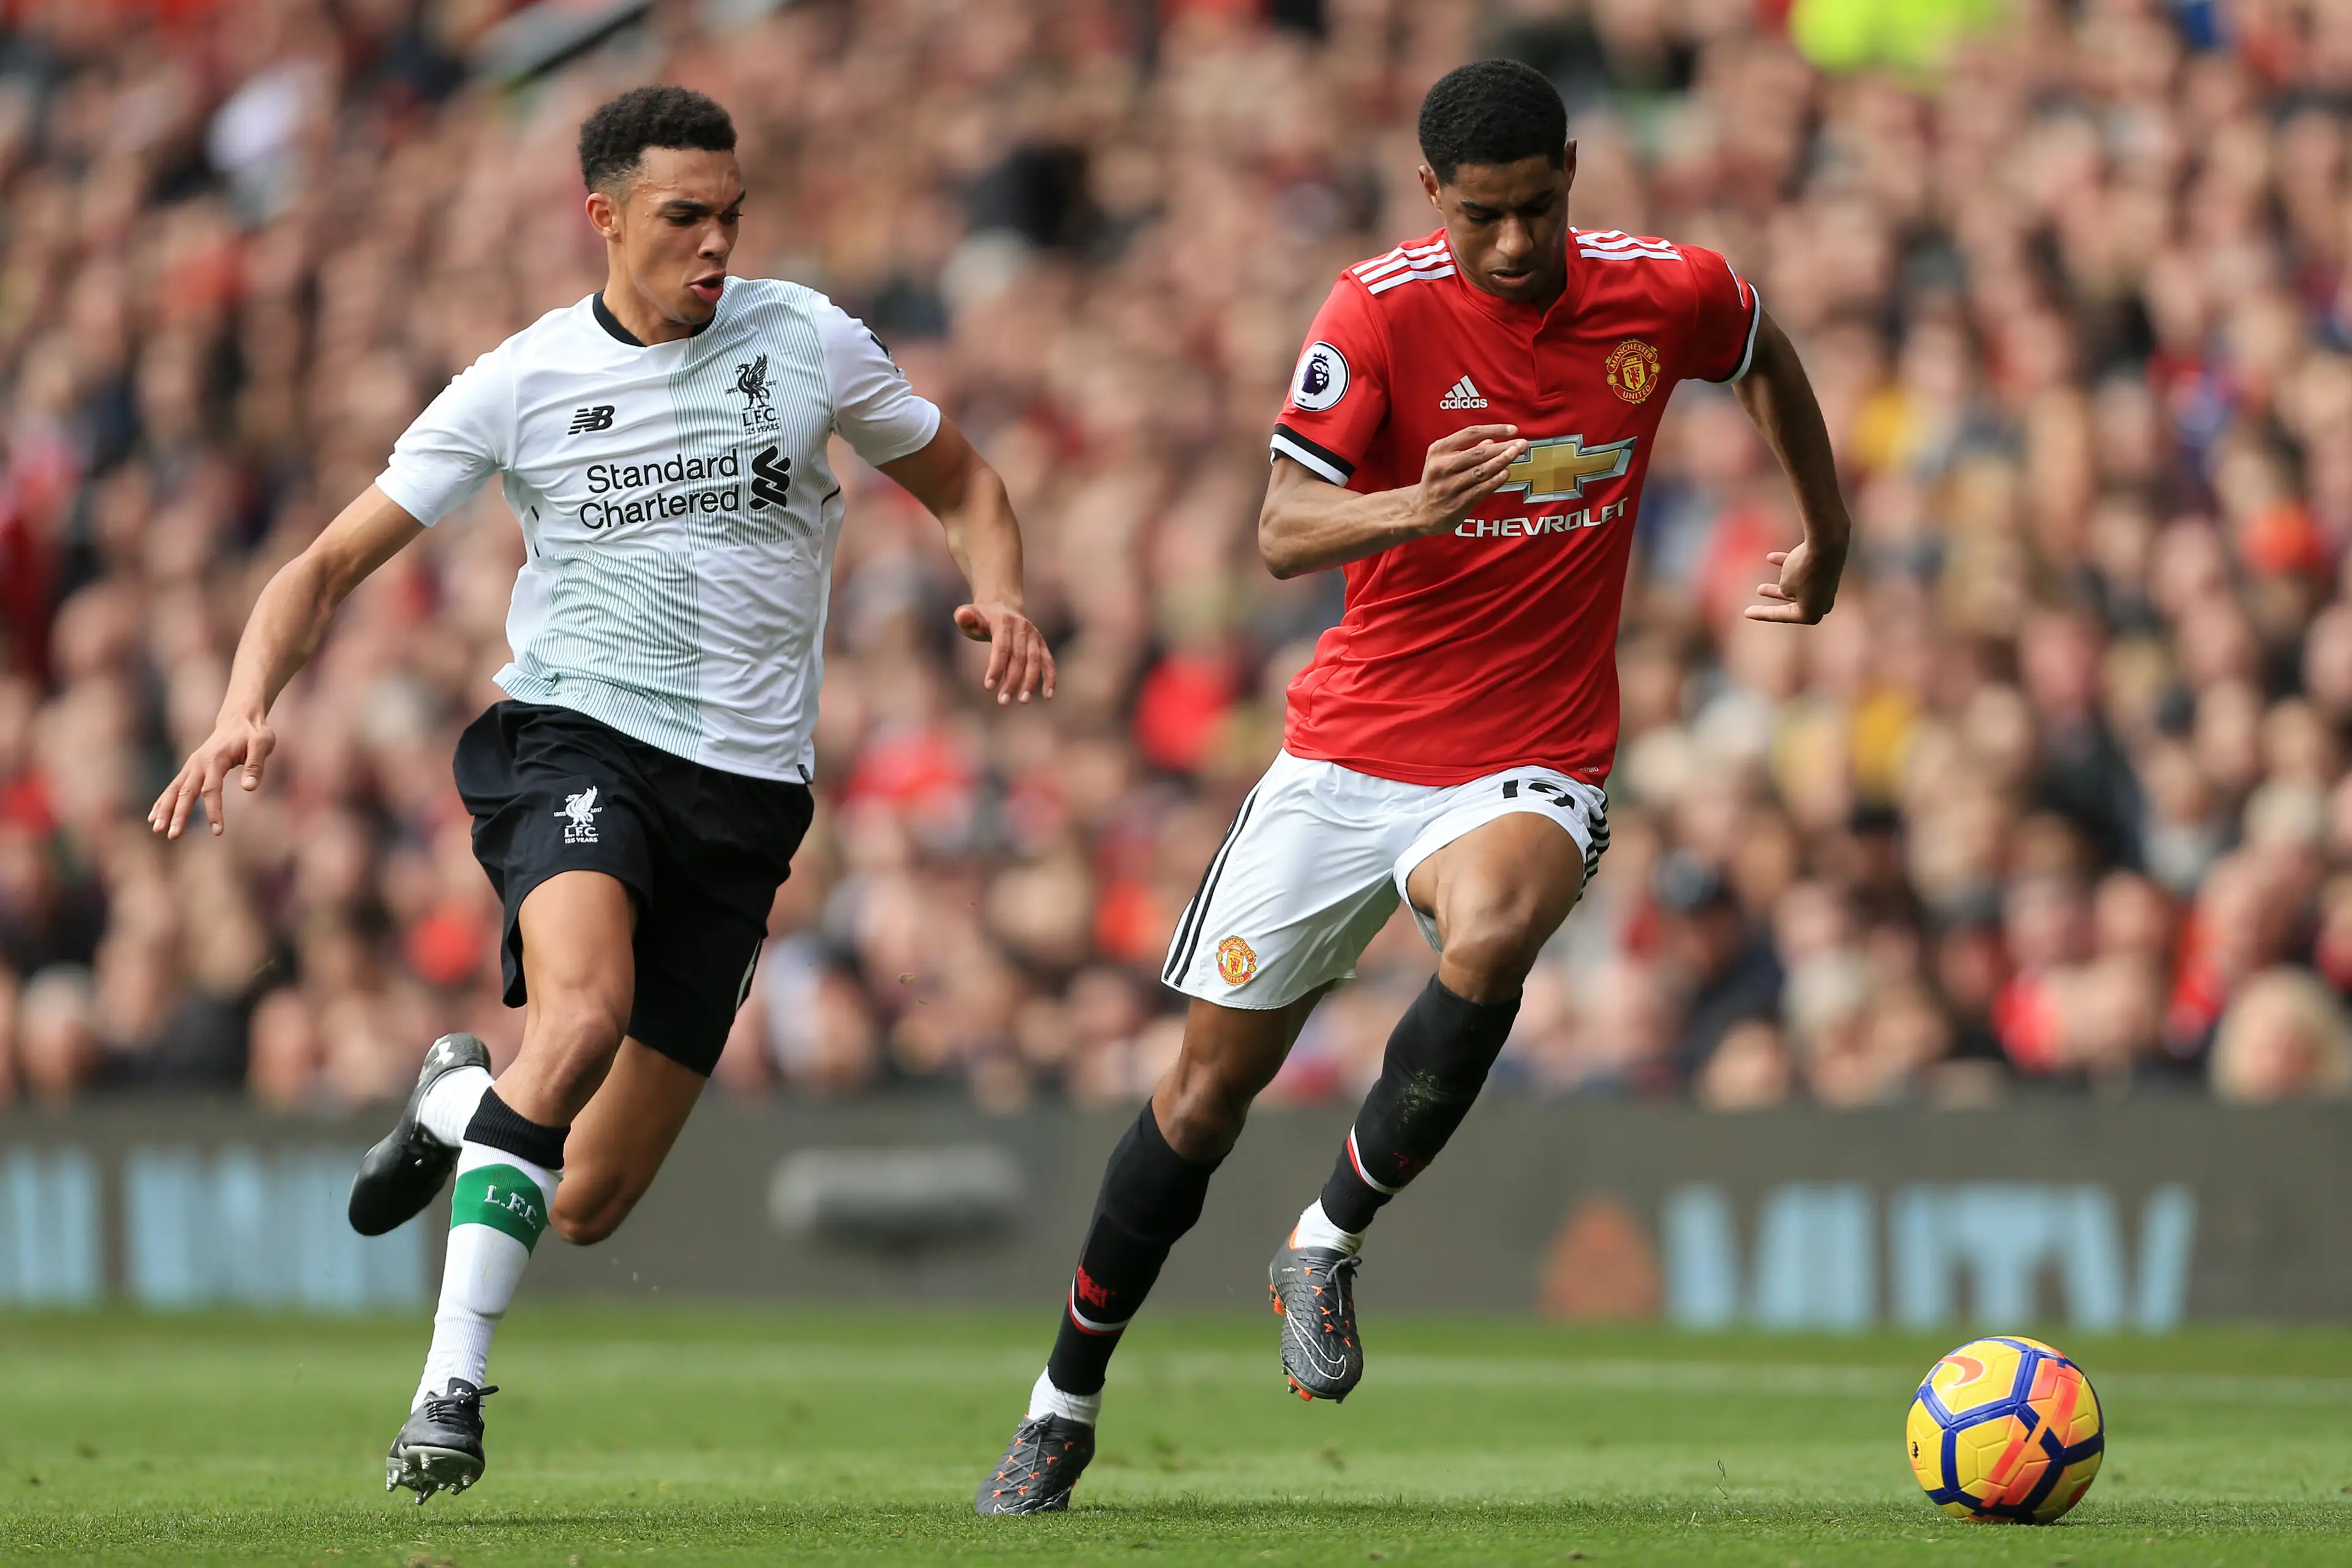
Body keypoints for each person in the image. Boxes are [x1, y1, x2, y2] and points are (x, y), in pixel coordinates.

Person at [148, 85, 1055, 1502]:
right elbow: (316, 569)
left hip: (748, 799)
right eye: (684, 216)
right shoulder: (518, 382)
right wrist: (241, 704)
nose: (714, 244)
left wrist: (999, 593)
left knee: (584, 1200)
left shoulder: (808, 342)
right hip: (579, 742)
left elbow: (968, 481)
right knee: (578, 1017)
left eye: (730, 215)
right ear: (606, 217)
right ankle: (448, 1396)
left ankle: (458, 1104)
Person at [975, 58, 1847, 1515]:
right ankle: (1063, 1395)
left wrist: (1827, 533)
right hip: (1349, 754)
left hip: (1531, 747)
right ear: (1432, 193)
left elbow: (1765, 350)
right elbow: (1276, 528)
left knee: (1498, 929)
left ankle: (1328, 1232)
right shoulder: (1374, 309)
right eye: (1484, 218)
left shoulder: (1663, 289)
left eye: (1540, 209)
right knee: (1200, 1099)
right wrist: (1413, 503)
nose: (1514, 246)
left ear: (1575, 170)